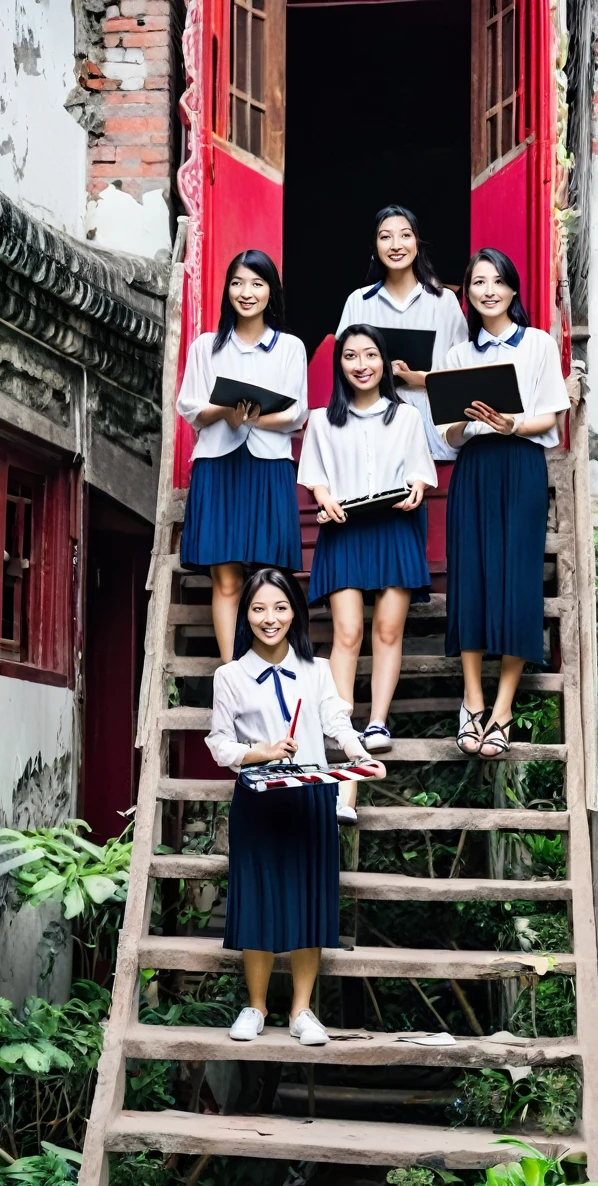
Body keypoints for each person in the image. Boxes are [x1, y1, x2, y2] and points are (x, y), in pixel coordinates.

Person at [206, 567, 383, 1046]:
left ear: (295, 613)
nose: (270, 618)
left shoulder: (318, 669)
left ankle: (302, 1010)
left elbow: (336, 724)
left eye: (281, 608)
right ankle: (256, 1006)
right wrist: (259, 752)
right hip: (259, 797)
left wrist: (358, 754)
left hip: (310, 794)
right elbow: (219, 744)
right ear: (246, 614)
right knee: (258, 900)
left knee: (309, 901)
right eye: (259, 608)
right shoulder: (229, 676)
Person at [298, 324, 436, 821]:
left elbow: (422, 469)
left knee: (388, 628)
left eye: (371, 355)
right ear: (340, 366)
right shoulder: (321, 420)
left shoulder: (406, 416)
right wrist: (323, 498)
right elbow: (314, 478)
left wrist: (418, 487)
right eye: (351, 356)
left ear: (384, 362)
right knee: (348, 632)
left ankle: (377, 722)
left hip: (395, 526)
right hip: (346, 530)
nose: (361, 364)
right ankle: (341, 724)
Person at [440, 249, 570, 759]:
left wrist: (510, 422)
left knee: (517, 579)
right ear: (467, 293)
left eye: (498, 281)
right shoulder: (456, 356)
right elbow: (447, 436)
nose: (488, 290)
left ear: (514, 290)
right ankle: (472, 699)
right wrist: (465, 421)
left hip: (520, 466)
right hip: (473, 469)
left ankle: (503, 707)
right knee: (469, 576)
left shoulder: (536, 344)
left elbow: (551, 419)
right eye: (478, 282)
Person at [176, 251, 308, 662]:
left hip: (269, 466)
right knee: (227, 580)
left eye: (256, 283)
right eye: (237, 283)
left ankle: (269, 669)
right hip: (218, 464)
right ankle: (233, 674)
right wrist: (226, 413)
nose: (246, 293)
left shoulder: (289, 347)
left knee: (271, 577)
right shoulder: (205, 347)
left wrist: (253, 419)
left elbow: (296, 413)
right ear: (226, 290)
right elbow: (190, 407)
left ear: (271, 291)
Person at [337, 205, 468, 460]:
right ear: (375, 246)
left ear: (417, 243)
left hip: (435, 428)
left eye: (405, 235)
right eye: (386, 237)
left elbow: (462, 372)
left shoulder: (444, 301)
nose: (396, 245)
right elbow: (342, 368)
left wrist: (421, 379)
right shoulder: (359, 302)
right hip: (371, 425)